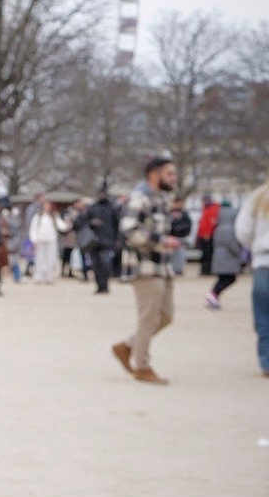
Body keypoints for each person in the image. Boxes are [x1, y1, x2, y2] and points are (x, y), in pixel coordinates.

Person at [112, 153, 181, 384]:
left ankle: (128, 346)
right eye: (169, 173)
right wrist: (160, 240)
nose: (174, 178)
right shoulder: (139, 199)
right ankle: (142, 366)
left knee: (166, 316)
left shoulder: (161, 199)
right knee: (148, 318)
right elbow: (128, 230)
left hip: (161, 265)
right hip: (143, 266)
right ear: (154, 175)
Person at [233, 179, 269, 376]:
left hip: (263, 260)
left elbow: (243, 231)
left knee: (263, 315)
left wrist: (254, 246)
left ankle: (267, 360)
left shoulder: (258, 197)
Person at [205, 201, 244, 308]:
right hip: (228, 257)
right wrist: (238, 252)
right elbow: (231, 243)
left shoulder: (219, 226)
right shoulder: (229, 228)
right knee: (229, 278)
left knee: (224, 278)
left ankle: (214, 296)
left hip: (220, 256)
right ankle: (213, 294)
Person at [84, 188, 119, 295]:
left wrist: (117, 239)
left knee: (106, 263)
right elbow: (85, 221)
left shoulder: (112, 207)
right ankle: (99, 286)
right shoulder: (93, 207)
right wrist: (92, 222)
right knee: (96, 265)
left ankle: (105, 285)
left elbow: (117, 224)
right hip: (95, 241)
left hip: (108, 239)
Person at [28, 193, 64, 282]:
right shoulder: (38, 216)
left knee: (51, 259)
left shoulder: (54, 216)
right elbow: (33, 229)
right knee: (40, 259)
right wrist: (34, 240)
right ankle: (39, 276)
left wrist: (68, 224)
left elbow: (61, 225)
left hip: (51, 239)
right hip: (40, 240)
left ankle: (49, 277)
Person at [194, 193, 219, 278]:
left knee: (208, 254)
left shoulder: (213, 209)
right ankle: (205, 269)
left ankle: (207, 270)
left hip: (208, 236)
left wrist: (207, 233)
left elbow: (211, 223)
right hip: (203, 235)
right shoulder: (206, 208)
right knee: (205, 254)